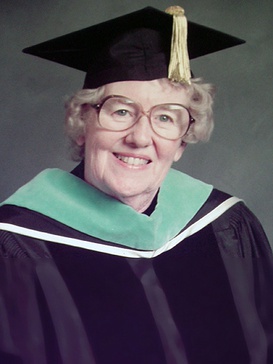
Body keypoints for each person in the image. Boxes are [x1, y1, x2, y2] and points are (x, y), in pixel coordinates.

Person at [0, 5, 272, 364]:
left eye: (165, 117)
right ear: (84, 124)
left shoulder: (229, 227)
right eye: (121, 111)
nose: (141, 137)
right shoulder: (16, 247)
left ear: (182, 142)